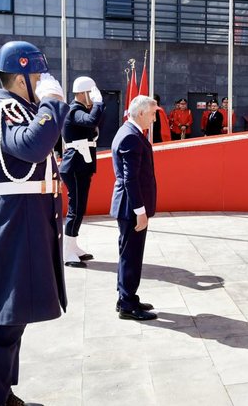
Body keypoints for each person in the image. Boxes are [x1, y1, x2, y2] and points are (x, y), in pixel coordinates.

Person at [0, 41, 69, 406]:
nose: (42, 80)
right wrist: (53, 103)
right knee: (4, 320)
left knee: (12, 318)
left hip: (27, 216)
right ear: (22, 76)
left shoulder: (19, 107)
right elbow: (31, 146)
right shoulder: (4, 108)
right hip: (15, 219)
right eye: (38, 75)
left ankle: (0, 393)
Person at [111, 95, 158, 321]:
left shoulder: (129, 132)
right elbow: (131, 179)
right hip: (131, 208)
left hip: (128, 206)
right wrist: (140, 211)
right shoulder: (131, 137)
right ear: (140, 113)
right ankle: (127, 305)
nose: (154, 119)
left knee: (127, 254)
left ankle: (126, 297)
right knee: (131, 255)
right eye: (152, 114)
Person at [60, 76, 105, 268]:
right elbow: (92, 120)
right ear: (84, 93)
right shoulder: (74, 110)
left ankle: (73, 245)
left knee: (79, 208)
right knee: (75, 209)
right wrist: (99, 103)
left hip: (81, 164)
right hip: (75, 165)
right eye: (91, 93)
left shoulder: (79, 111)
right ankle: (67, 251)